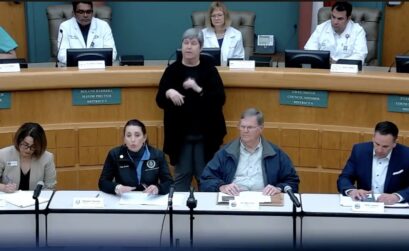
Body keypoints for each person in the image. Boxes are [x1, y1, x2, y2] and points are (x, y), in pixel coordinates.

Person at [156, 28, 226, 192]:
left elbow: (220, 99)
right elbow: (159, 100)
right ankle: (180, 213)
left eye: (193, 43)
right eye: (185, 43)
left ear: (201, 48)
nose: (188, 47)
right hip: (180, 135)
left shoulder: (209, 69)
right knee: (181, 176)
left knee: (205, 177)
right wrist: (168, 92)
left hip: (206, 135)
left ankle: (207, 214)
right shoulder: (172, 70)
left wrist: (198, 88)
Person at [200, 108, 300, 195]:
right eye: (242, 127)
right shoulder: (225, 152)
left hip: (264, 201)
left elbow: (292, 181)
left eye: (250, 127)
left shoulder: (276, 154)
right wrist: (222, 187)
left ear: (261, 128)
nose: (245, 131)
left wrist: (278, 188)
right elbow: (206, 179)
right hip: (233, 199)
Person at [337, 121, 409, 204]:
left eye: (385, 146)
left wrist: (397, 196)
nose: (379, 150)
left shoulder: (406, 155)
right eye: (377, 144)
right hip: (364, 204)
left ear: (394, 143)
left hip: (393, 207)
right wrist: (352, 191)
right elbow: (344, 178)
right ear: (373, 138)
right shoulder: (360, 151)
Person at [99, 119, 173, 195]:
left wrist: (158, 188)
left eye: (137, 135)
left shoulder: (157, 155)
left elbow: (169, 182)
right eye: (128, 135)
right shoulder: (114, 154)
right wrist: (117, 187)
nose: (133, 140)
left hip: (150, 199)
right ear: (124, 138)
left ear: (144, 138)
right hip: (124, 200)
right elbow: (103, 182)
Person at [0, 122, 57, 192]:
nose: (28, 150)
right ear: (18, 140)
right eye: (25, 144)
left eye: (33, 146)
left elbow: (50, 187)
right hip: (8, 199)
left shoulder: (47, 158)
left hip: (36, 200)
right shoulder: (3, 154)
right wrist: (3, 188)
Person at [202, 1, 245, 66]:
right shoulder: (202, 34)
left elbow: (239, 59)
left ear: (225, 16)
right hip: (208, 72)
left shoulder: (236, 35)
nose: (216, 18)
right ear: (210, 18)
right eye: (213, 16)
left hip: (230, 72)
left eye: (219, 15)